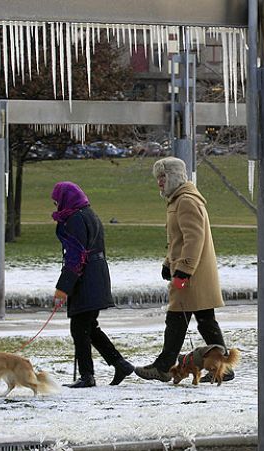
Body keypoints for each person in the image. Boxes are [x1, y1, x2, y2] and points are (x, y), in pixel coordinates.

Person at [134, 157, 234, 383]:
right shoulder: (177, 201)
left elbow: (193, 239)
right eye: (158, 178)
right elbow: (177, 240)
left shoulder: (186, 201)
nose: (159, 182)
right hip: (192, 273)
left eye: (163, 177)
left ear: (175, 177)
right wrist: (168, 264)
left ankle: (164, 367)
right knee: (205, 321)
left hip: (192, 276)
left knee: (177, 320)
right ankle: (222, 368)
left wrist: (183, 271)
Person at [51, 181, 134, 388]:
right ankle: (119, 363)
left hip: (86, 279)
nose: (56, 206)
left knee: (80, 328)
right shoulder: (88, 214)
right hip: (96, 276)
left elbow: (75, 255)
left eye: (57, 202)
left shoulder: (75, 219)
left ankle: (88, 375)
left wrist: (63, 288)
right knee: (88, 327)